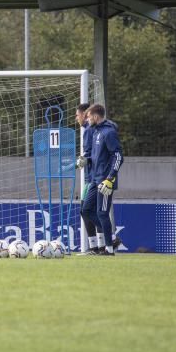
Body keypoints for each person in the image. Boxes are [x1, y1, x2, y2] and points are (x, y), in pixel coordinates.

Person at [80, 104, 123, 255]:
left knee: (102, 213)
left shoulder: (109, 132)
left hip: (105, 180)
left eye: (89, 116)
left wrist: (110, 178)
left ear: (96, 116)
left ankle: (109, 250)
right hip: (94, 179)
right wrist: (84, 158)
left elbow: (118, 156)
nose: (88, 118)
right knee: (85, 210)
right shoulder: (95, 131)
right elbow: (93, 154)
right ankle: (111, 238)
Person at [74, 103, 99, 252]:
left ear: (85, 114)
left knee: (86, 210)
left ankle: (108, 240)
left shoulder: (89, 131)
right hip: (91, 176)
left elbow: (88, 155)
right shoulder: (90, 130)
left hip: (92, 177)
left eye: (77, 114)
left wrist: (75, 165)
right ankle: (97, 246)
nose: (76, 118)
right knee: (89, 211)